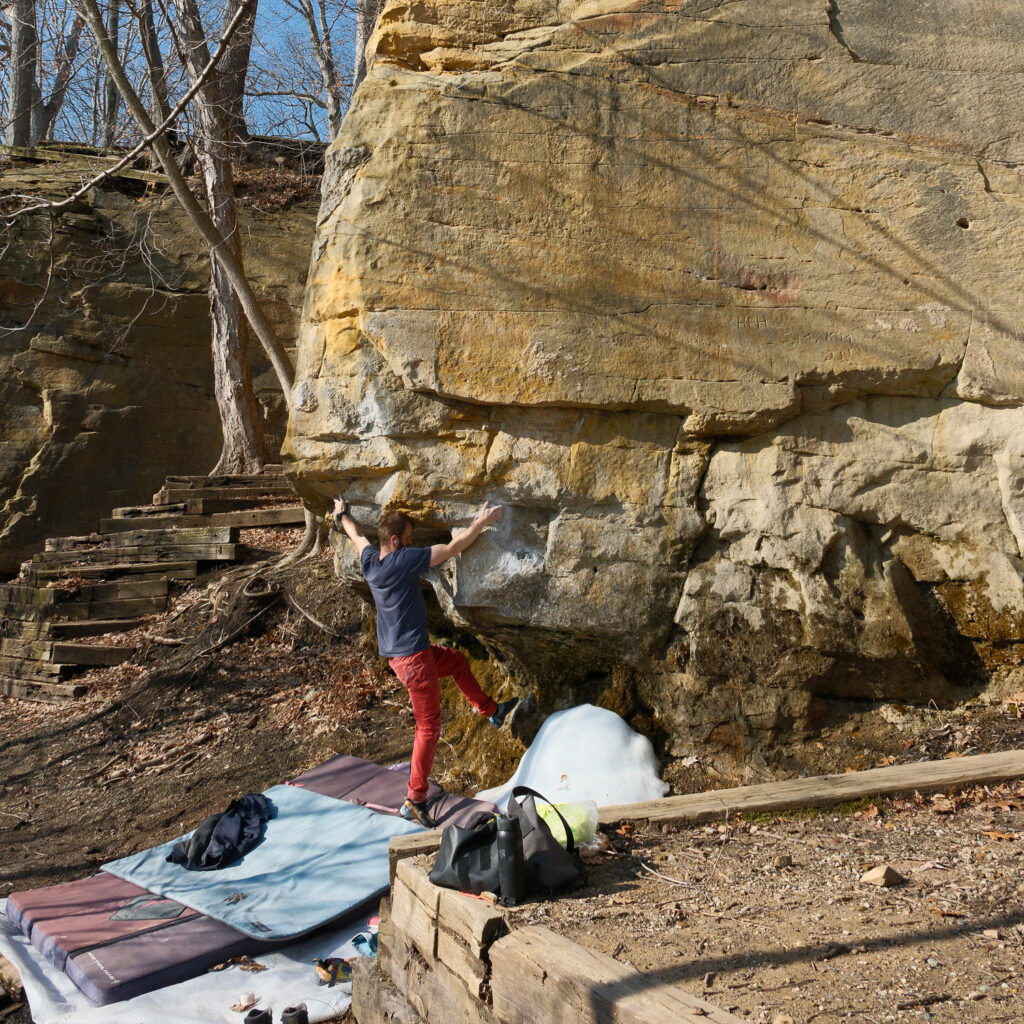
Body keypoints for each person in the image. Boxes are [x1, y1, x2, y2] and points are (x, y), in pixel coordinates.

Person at [333, 496, 519, 828]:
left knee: (458, 663)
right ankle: (415, 799)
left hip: (403, 658)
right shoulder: (403, 560)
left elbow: (355, 535)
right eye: (406, 539)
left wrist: (341, 514)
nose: (410, 543)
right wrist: (481, 521)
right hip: (414, 662)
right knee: (429, 727)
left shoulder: (371, 561)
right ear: (395, 541)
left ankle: (491, 711)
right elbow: (450, 549)